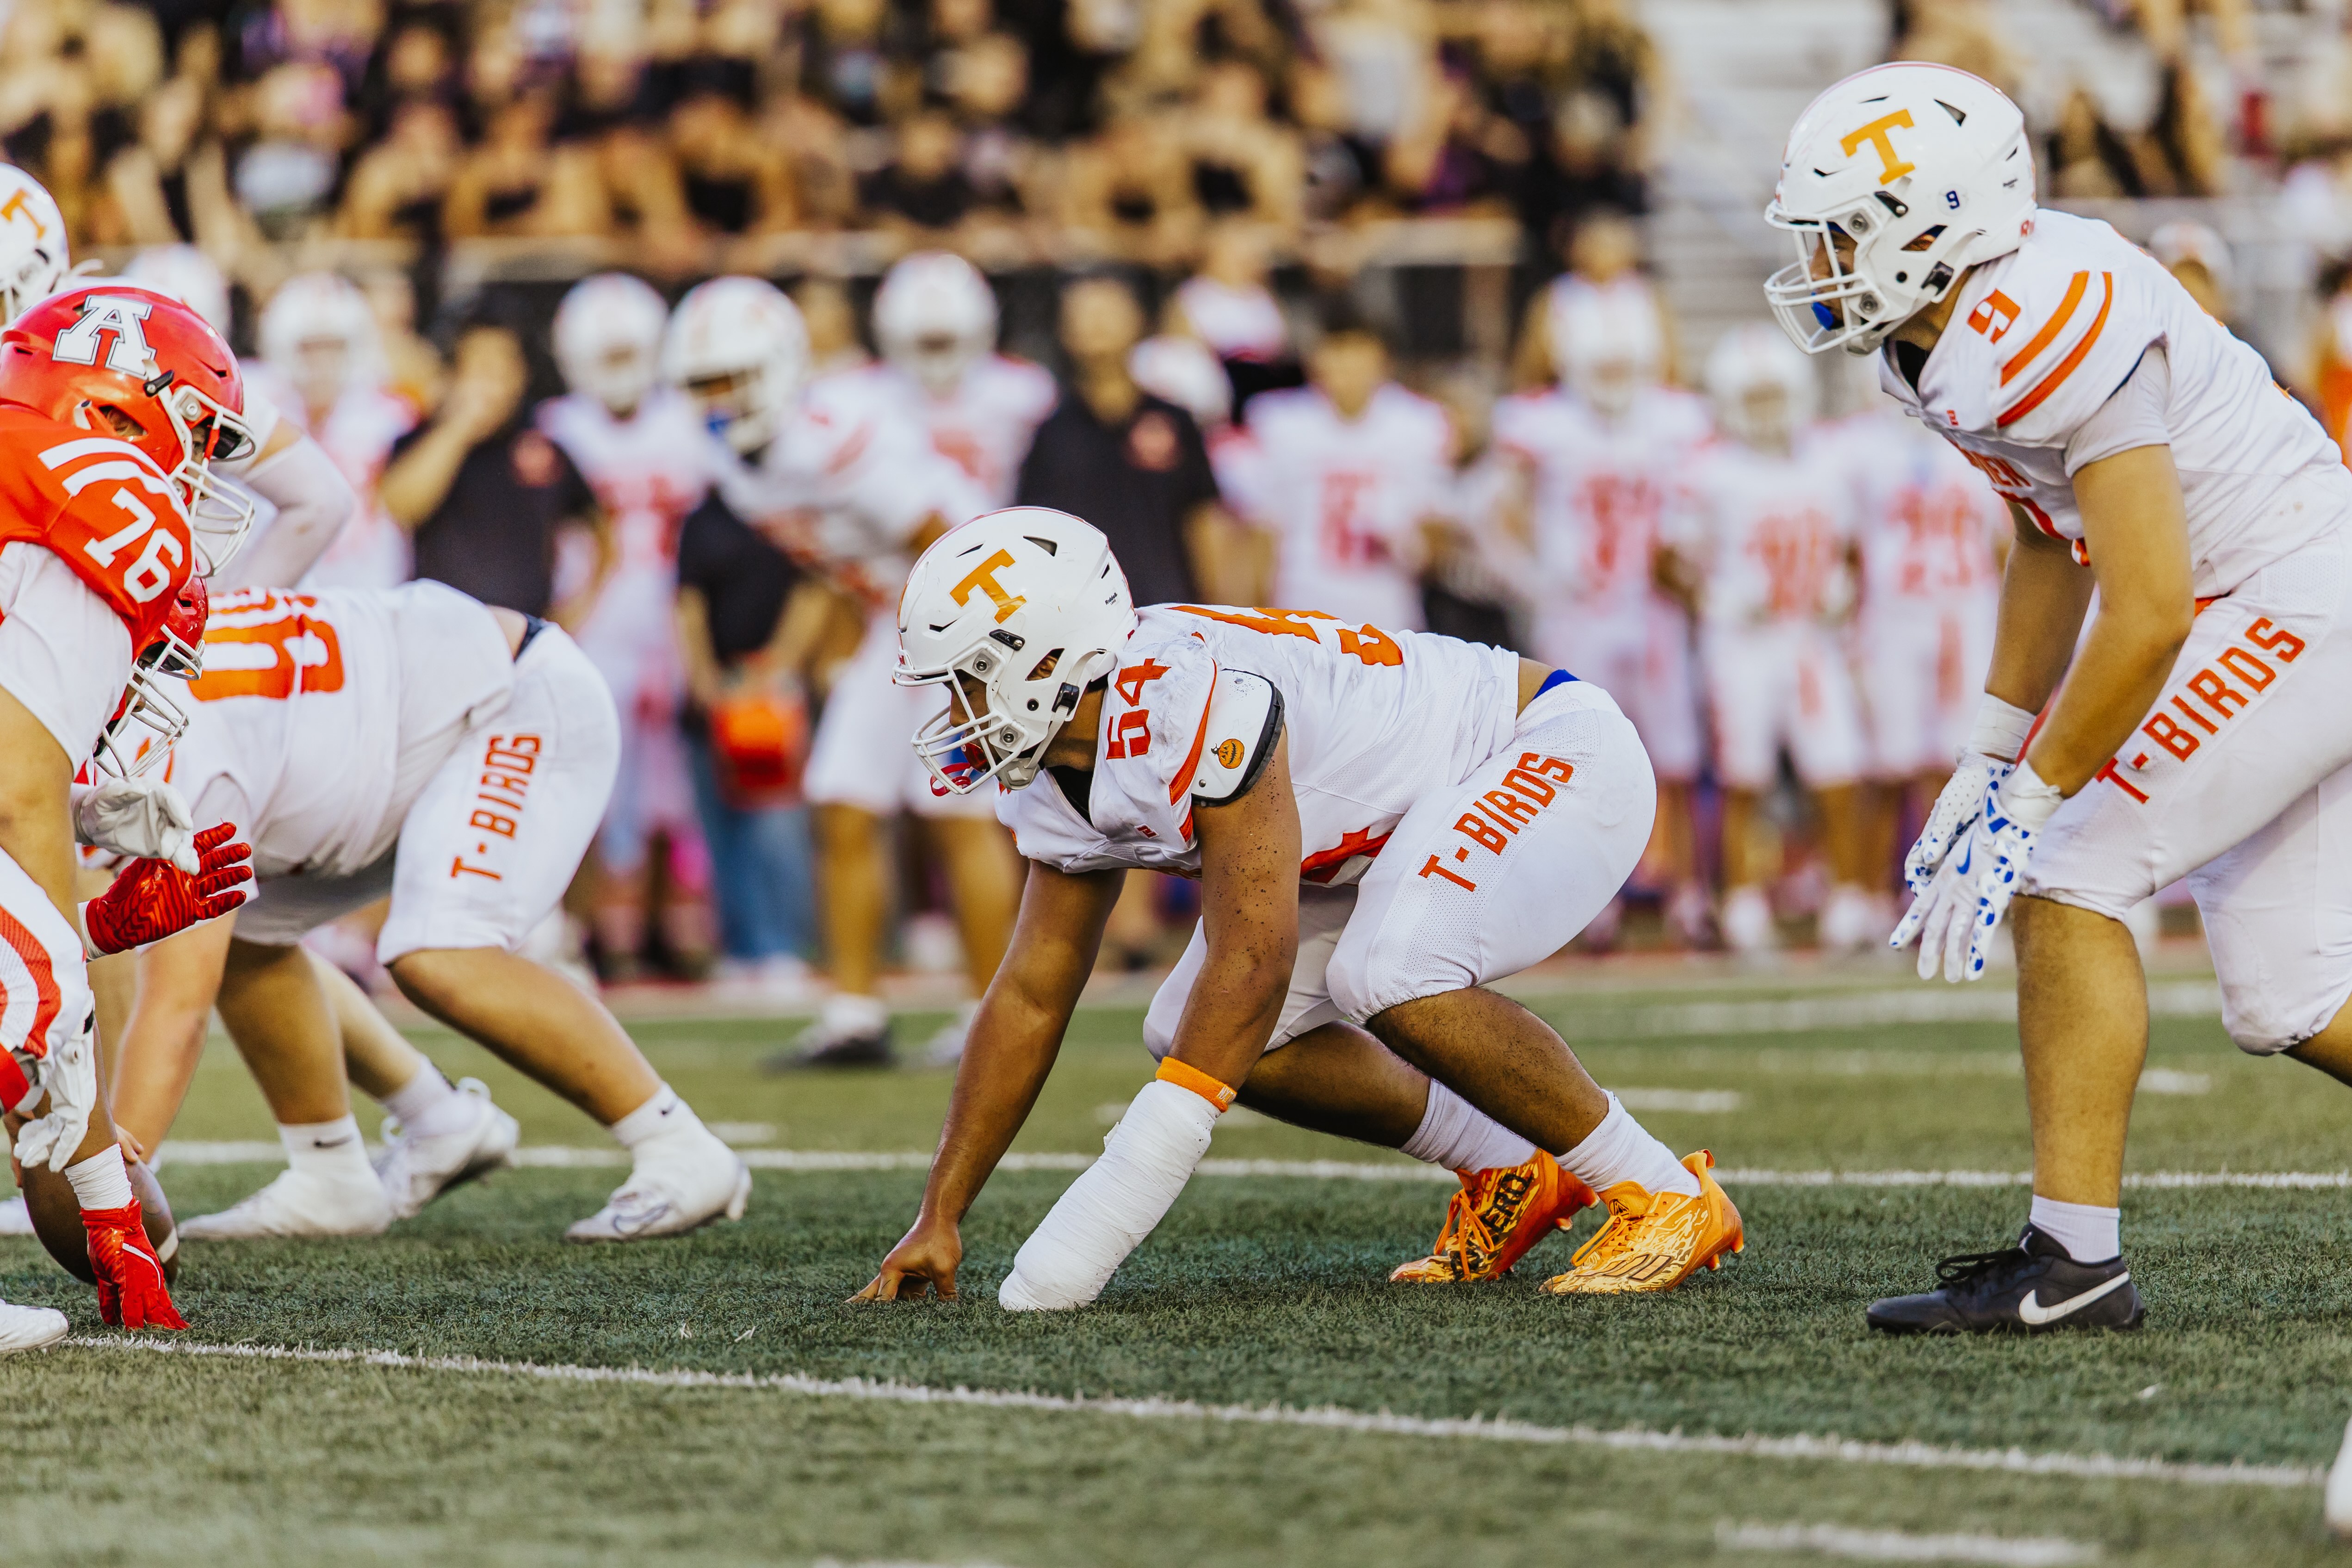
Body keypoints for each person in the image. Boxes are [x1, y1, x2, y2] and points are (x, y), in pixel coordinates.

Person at [1766, 62, 2352, 1333]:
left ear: (1936, 226)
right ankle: (2070, 1259)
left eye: (1842, 227)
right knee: (2289, 998)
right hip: (2269, 595)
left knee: (2066, 872)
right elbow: (2048, 537)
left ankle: (2073, 1262)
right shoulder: (1938, 343)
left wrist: (2033, 795)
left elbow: (2141, 608)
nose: (1818, 256)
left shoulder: (2042, 316)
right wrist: (1986, 752)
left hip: (2285, 589)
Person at [855, 508, 1744, 1306]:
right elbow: (1032, 991)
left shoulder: (1183, 696)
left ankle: (1661, 1189)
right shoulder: (1055, 764)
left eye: (969, 677)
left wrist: (1096, 1219)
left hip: (1541, 746)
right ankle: (1510, 1164)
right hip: (1386, 826)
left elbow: (1255, 959)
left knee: (1382, 974)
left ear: (1051, 661)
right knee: (1186, 1026)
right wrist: (941, 1212)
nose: (954, 707)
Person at [102, 582, 750, 1241]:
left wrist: (106, 1198)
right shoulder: (147, 676)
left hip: (511, 700)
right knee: (242, 929)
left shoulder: (174, 745)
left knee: (440, 953)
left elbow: (177, 1009)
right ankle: (338, 1172)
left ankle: (679, 1145)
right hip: (407, 727)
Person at [0, 283, 268, 1347]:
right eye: (196, 437)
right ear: (117, 408)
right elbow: (15, 796)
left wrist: (92, 925)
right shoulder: (99, 489)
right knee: (37, 1008)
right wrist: (70, 961)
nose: (194, 477)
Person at [663, 277, 990, 1067]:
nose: (715, 400)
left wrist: (971, 673)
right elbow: (833, 560)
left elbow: (947, 544)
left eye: (729, 380)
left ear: (775, 367)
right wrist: (822, 652)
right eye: (702, 384)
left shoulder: (832, 435)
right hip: (895, 617)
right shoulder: (737, 461)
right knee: (841, 795)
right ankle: (853, 1013)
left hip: (969, 610)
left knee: (953, 807)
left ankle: (991, 1013)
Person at [1491, 282, 1712, 945]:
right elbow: (1491, 510)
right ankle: (1588, 899)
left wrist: (1693, 565)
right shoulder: (1541, 419)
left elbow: (1704, 506)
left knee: (1675, 750)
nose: (1613, 378)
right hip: (1580, 610)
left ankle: (1688, 891)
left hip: (1653, 607)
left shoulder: (1677, 417)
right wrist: (1533, 578)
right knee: (1576, 749)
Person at [1661, 324, 1874, 955]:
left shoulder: (1828, 459)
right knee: (1743, 777)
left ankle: (1851, 899)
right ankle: (1743, 903)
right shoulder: (1708, 469)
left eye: (1774, 396)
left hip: (1810, 638)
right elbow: (1666, 559)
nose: (1767, 411)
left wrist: (1842, 587)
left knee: (1839, 770)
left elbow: (1852, 547)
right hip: (1742, 641)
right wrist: (1712, 599)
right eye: (1753, 399)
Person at [539, 273, 715, 980]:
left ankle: (664, 932)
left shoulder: (689, 421)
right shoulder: (556, 430)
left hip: (673, 622)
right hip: (595, 625)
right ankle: (596, 932)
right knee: (595, 785)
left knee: (672, 794)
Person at [1831, 372, 2007, 930]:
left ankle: (1951, 894)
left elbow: (2006, 543)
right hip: (1891, 620)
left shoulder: (1980, 437)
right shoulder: (1855, 447)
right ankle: (1859, 897)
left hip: (1963, 616)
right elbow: (1842, 546)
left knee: (1962, 763)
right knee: (1885, 765)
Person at [1014, 275, 1236, 608]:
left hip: (1169, 615)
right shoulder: (1050, 432)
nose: (1097, 323)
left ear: (1139, 321)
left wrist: (1219, 609)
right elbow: (1032, 533)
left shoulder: (1174, 420)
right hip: (1083, 618)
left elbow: (1204, 518)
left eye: (1108, 311)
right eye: (1084, 314)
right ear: (1064, 330)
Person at [1235, 304, 1455, 633]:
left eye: (1357, 352)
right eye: (1336, 351)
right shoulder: (1277, 421)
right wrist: (1253, 622)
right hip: (1300, 611)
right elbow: (1262, 531)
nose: (1346, 366)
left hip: (1386, 614)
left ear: (1383, 359)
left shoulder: (1421, 423)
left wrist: (1407, 542)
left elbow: (1436, 545)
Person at [379, 312, 604, 624]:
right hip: (437, 636)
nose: (492, 383)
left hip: (522, 640)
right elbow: (401, 506)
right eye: (481, 368)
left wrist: (576, 608)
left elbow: (601, 528)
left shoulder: (544, 447)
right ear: (455, 373)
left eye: (503, 368)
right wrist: (459, 426)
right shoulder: (420, 439)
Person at [246, 271, 417, 590]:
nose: (322, 362)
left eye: (334, 347)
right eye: (310, 347)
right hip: (277, 587)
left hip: (367, 588)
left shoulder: (390, 412)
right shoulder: (253, 399)